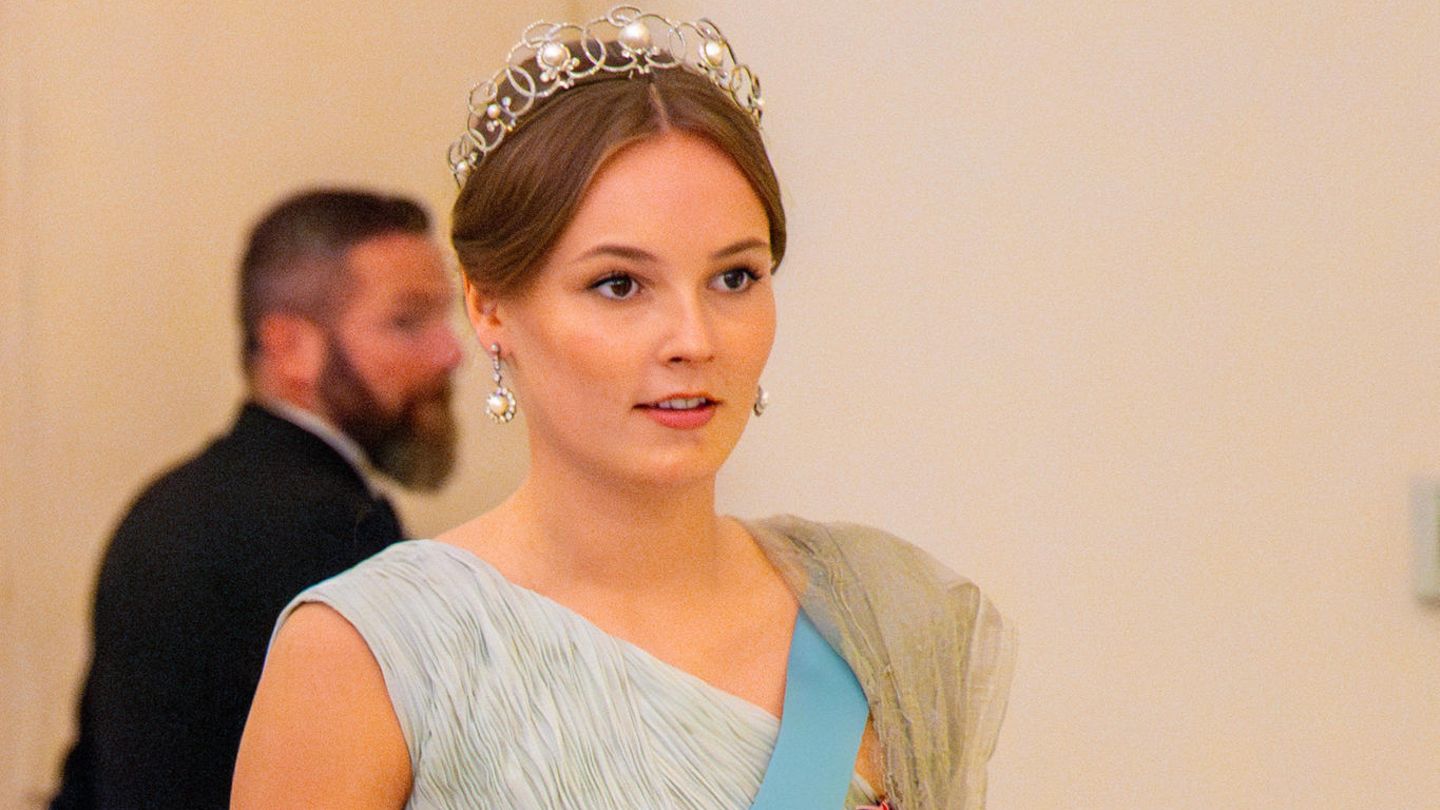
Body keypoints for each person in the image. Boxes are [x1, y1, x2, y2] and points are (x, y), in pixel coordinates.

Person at [233, 8, 1014, 810]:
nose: (694, 340)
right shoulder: (368, 654)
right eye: (619, 285)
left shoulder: (881, 616)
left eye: (735, 278)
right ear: (490, 306)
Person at [50, 189, 463, 809]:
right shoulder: (332, 527)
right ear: (291, 346)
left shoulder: (165, 504)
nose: (450, 352)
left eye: (443, 318)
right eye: (407, 321)